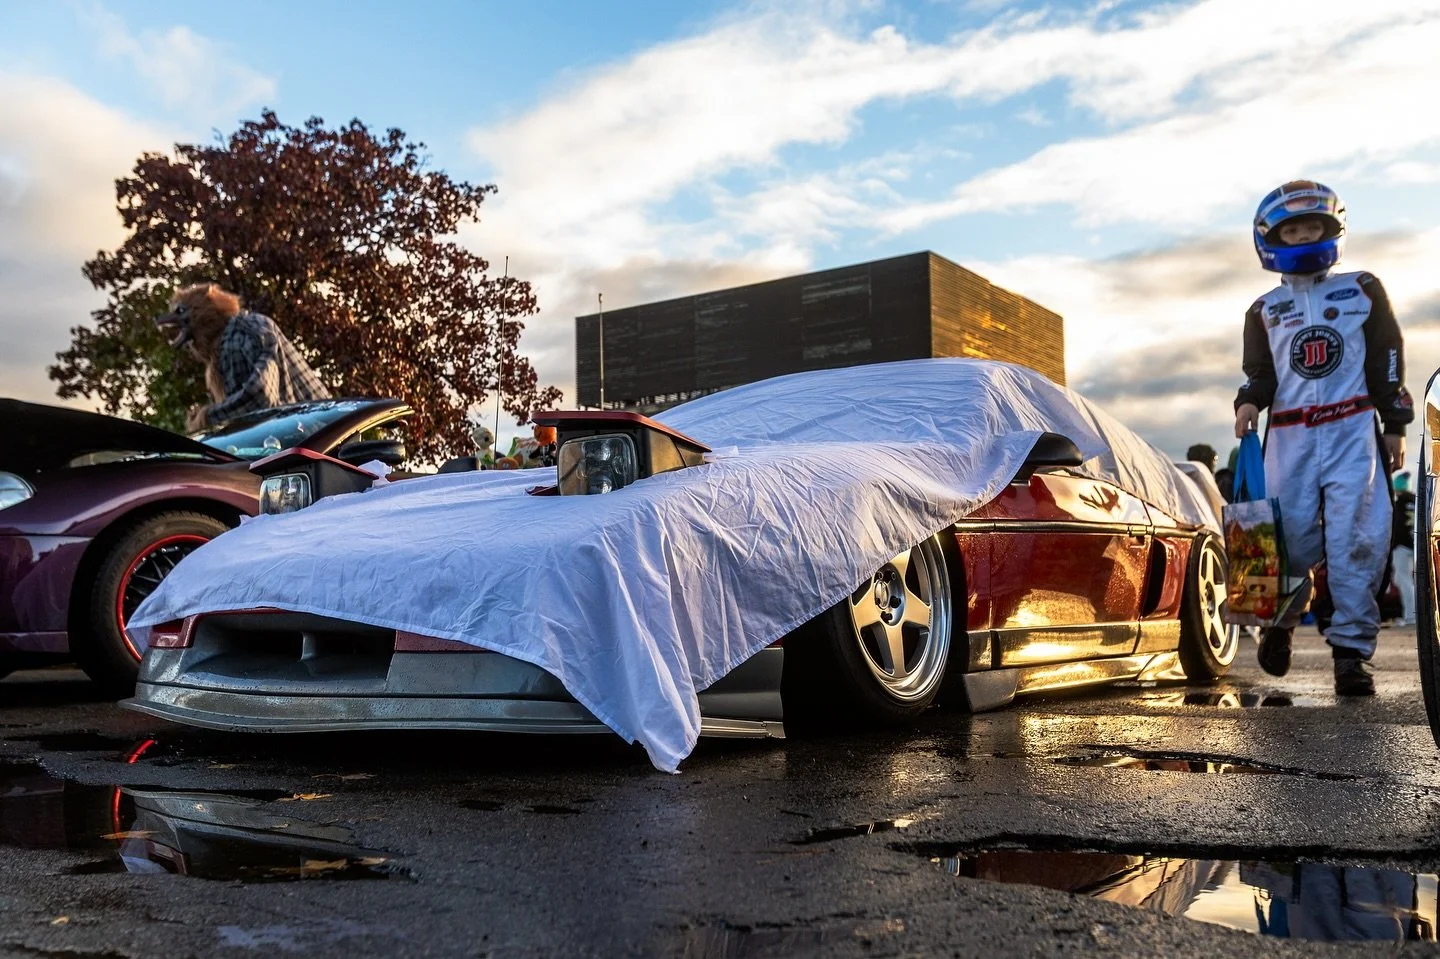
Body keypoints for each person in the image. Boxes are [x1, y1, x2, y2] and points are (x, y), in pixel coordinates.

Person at [1232, 180, 1412, 695]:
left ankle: (1351, 656)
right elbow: (1259, 372)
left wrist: (1394, 422)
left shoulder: (1362, 289)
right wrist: (1248, 401)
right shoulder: (1263, 309)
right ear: (1273, 237)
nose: (1305, 234)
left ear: (1333, 229)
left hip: (1353, 428)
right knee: (1285, 541)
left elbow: (1386, 359)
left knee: (1359, 539)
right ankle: (1281, 622)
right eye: (1293, 228)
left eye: (1313, 225)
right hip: (1289, 436)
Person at [154, 284, 331, 431]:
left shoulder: (245, 329)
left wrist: (208, 417)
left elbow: (261, 395)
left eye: (181, 312)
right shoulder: (223, 350)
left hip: (321, 441)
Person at [1391, 472, 1417, 628]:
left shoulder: (1398, 504)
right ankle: (1414, 615)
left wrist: (1392, 544)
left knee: (1404, 581)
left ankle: (1410, 617)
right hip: (1415, 547)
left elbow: (1395, 527)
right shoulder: (1417, 502)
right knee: (1412, 582)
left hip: (1401, 547)